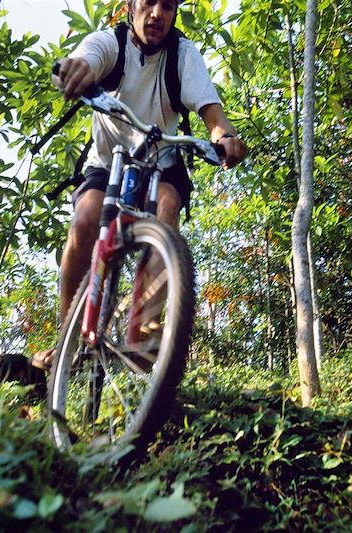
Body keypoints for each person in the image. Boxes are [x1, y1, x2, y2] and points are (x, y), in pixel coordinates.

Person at [31, 0, 247, 369]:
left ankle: (146, 327)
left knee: (166, 208)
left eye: (167, 6)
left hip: (161, 161)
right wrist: (75, 71)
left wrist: (225, 137)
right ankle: (68, 334)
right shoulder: (111, 43)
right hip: (108, 161)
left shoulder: (183, 54)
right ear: (131, 8)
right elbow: (86, 59)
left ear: (175, 13)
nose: (157, 14)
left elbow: (212, 113)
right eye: (148, 3)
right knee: (84, 221)